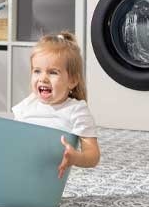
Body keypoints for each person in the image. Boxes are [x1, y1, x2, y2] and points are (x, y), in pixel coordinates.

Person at [11, 32, 100, 178]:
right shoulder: (28, 104)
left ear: (72, 80)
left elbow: (93, 156)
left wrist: (75, 157)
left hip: (50, 178)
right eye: (37, 71)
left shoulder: (76, 111)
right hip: (19, 172)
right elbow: (12, 139)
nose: (43, 78)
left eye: (53, 72)